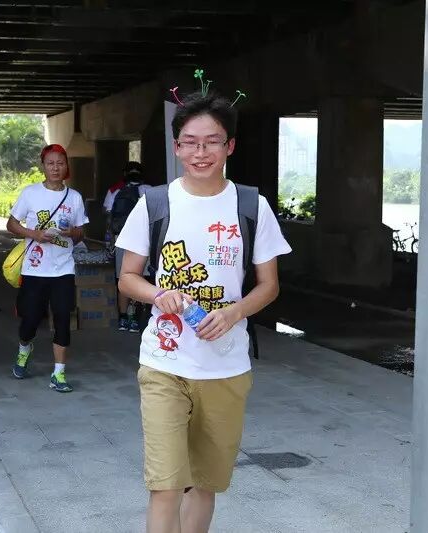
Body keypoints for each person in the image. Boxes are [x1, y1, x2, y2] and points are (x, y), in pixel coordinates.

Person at [116, 91, 291, 532]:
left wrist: (233, 313)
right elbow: (127, 277)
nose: (201, 152)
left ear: (229, 146)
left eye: (212, 142)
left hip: (226, 367)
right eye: (191, 142)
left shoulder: (251, 205)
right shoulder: (154, 204)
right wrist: (159, 294)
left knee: (204, 485)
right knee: (166, 485)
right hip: (164, 362)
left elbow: (269, 285)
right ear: (177, 148)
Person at [6, 144, 88, 393]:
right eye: (51, 163)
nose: (55, 168)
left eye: (60, 163)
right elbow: (11, 224)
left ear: (66, 166)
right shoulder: (31, 193)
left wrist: (71, 232)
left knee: (63, 318)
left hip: (63, 270)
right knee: (30, 320)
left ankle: (58, 373)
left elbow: (81, 233)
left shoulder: (74, 197)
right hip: (34, 269)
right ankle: (24, 349)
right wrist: (35, 234)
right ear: (43, 166)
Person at [109, 162, 151, 333]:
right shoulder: (151, 190)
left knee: (124, 279)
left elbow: (108, 215)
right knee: (142, 279)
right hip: (146, 240)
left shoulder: (115, 191)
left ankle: (123, 318)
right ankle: (137, 318)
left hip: (123, 240)